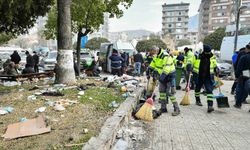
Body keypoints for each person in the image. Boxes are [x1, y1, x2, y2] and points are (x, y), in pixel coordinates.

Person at [192, 44, 218, 113]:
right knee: (197, 89)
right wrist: (189, 65)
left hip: (208, 76)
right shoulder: (198, 56)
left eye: (209, 52)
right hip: (199, 76)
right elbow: (191, 61)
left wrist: (216, 68)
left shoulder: (212, 56)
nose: (208, 53)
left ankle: (210, 106)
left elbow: (214, 64)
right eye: (207, 52)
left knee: (209, 90)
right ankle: (197, 100)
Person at [158, 51, 180, 116]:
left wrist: (163, 76)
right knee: (162, 92)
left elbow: (167, 68)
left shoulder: (167, 57)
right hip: (163, 77)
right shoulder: (158, 57)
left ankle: (177, 108)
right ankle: (163, 108)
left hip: (170, 77)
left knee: (170, 93)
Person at [234, 43, 250, 109]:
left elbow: (239, 68)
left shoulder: (244, 57)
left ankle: (238, 103)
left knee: (240, 89)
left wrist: (237, 76)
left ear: (247, 49)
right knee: (247, 89)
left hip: (244, 74)